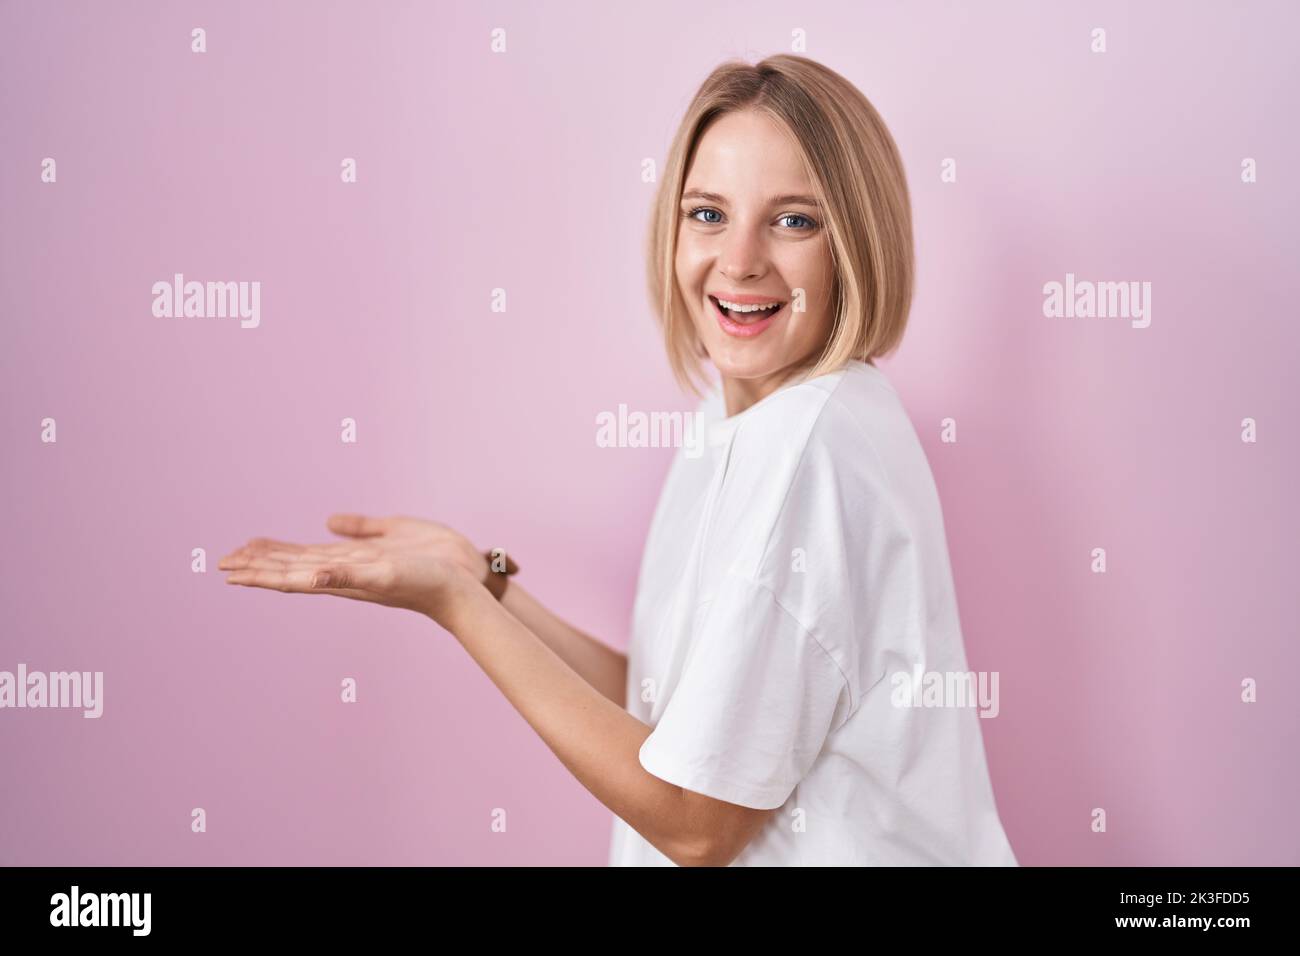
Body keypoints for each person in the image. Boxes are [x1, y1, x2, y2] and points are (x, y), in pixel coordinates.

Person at [220, 54, 1018, 867]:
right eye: (708, 213)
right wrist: (490, 585)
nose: (739, 261)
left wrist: (456, 606)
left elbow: (696, 823)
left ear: (857, 242)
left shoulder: (809, 451)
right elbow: (683, 714)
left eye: (793, 221)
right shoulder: (740, 421)